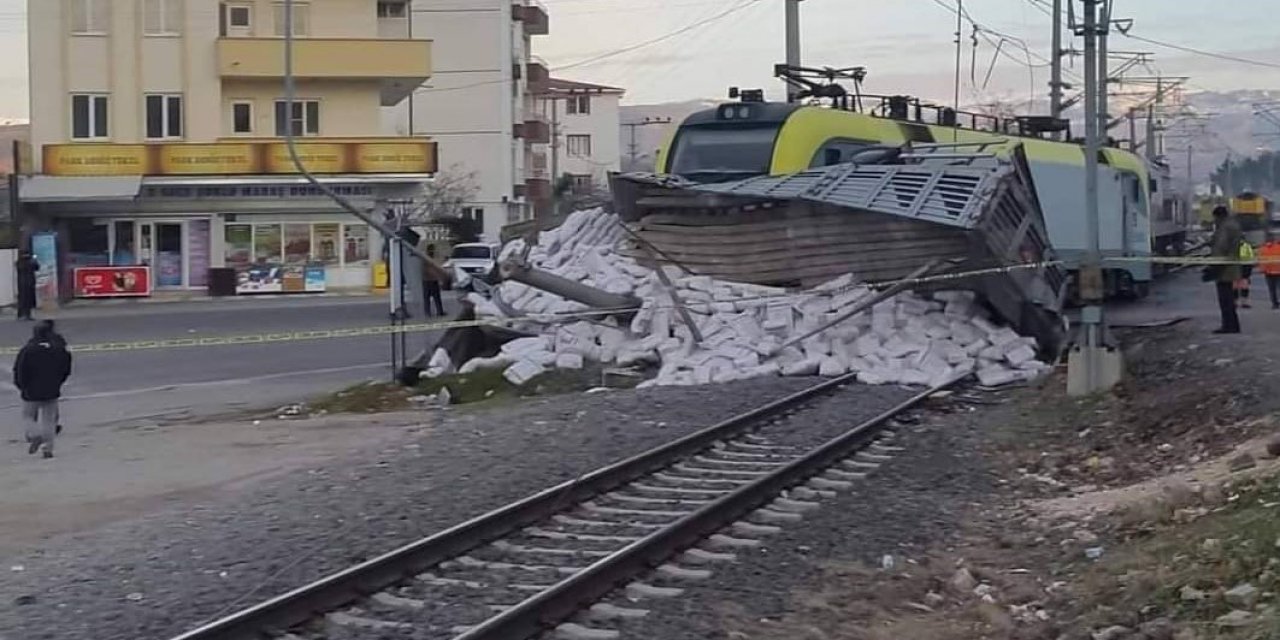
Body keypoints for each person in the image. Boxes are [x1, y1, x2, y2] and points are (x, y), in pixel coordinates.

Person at [12, 320, 72, 459]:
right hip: (52, 388)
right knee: (49, 420)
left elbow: (20, 369)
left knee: (28, 416)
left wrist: (21, 385)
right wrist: (59, 382)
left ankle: (35, 435)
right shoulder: (58, 348)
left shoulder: (28, 349)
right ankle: (48, 448)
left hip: (31, 389)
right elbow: (66, 367)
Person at [1209, 206, 1243, 334]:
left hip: (1224, 268)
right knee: (1229, 298)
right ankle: (1232, 325)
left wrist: (1214, 265)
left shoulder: (1225, 227)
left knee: (1225, 299)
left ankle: (1229, 326)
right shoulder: (1232, 225)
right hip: (1230, 266)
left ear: (1219, 216)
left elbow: (1221, 247)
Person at [422, 244, 445, 317]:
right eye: (433, 250)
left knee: (429, 297)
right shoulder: (427, 259)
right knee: (434, 297)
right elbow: (430, 269)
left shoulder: (426, 258)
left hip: (427, 280)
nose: (434, 252)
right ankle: (437, 312)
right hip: (430, 280)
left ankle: (431, 312)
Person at [15, 250, 38, 321]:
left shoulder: (19, 262)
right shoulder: (31, 262)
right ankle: (26, 314)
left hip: (21, 283)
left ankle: (21, 314)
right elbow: (37, 267)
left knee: (22, 299)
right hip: (29, 282)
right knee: (28, 300)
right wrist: (34, 260)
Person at [1260, 232, 1280, 309]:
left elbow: (1261, 261)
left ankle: (1275, 304)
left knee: (1272, 289)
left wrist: (1262, 270)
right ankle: (1276, 302)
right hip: (1278, 271)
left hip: (1268, 272)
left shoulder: (1263, 249)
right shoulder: (1278, 247)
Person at [1235, 239, 1256, 309]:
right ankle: (1235, 302)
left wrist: (1250, 267)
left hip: (1245, 268)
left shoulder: (1247, 246)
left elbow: (1251, 256)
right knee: (1235, 287)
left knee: (1244, 287)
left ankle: (1244, 302)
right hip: (1235, 267)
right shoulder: (1232, 246)